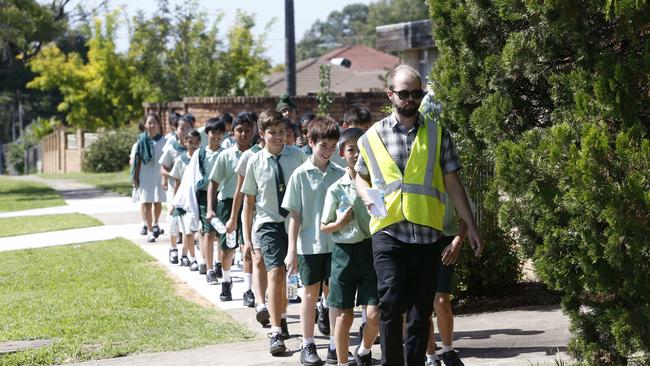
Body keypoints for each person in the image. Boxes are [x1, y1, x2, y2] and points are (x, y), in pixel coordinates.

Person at [355, 65, 484, 366]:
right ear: (390, 95)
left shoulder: (438, 135)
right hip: (388, 233)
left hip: (427, 235)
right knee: (390, 302)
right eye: (404, 93)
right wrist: (366, 196)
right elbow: (360, 176)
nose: (411, 99)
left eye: (416, 93)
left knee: (419, 312)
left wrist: (471, 225)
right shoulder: (372, 137)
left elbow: (453, 182)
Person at [241, 109, 307, 356]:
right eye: (273, 133)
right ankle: (276, 332)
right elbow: (249, 202)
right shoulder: (254, 161)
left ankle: (281, 313)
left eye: (282, 132)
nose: (279, 137)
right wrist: (247, 238)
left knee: (290, 276)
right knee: (276, 272)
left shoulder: (298, 155)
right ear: (261, 134)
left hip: (294, 221)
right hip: (268, 223)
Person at [282, 117, 344, 366]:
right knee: (309, 296)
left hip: (337, 245)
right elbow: (294, 216)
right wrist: (291, 251)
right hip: (309, 245)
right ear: (310, 142)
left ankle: (333, 346)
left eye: (332, 146)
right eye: (323, 145)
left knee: (334, 297)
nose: (328, 151)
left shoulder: (340, 174)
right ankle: (308, 345)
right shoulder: (299, 175)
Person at [321, 127, 380, 366]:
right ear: (342, 153)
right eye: (351, 149)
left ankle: (365, 349)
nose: (356, 154)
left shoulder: (374, 184)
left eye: (361, 149)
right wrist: (340, 222)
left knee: (375, 314)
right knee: (344, 315)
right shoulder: (335, 188)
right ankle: (343, 363)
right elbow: (324, 226)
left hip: (370, 250)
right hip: (344, 254)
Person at [207, 114, 254, 298]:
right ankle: (226, 281)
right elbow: (213, 183)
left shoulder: (257, 154)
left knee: (248, 247)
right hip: (227, 205)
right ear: (232, 133)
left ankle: (248, 289)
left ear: (253, 131)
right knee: (228, 248)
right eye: (239, 130)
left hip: (250, 204)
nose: (243, 134)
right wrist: (210, 208)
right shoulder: (225, 156)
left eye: (247, 130)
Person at [231, 128, 269, 315]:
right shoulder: (250, 156)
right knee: (254, 256)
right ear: (262, 133)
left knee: (279, 269)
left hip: (281, 220)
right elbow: (240, 192)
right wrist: (233, 217)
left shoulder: (289, 154)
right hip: (255, 217)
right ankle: (253, 295)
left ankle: (280, 310)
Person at [159, 115, 192, 263]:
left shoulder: (195, 150)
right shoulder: (172, 148)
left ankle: (184, 253)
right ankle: (173, 249)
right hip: (174, 190)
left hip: (189, 193)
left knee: (187, 223)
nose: (184, 131)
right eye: (181, 128)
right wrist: (171, 176)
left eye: (187, 128)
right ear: (176, 130)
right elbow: (163, 168)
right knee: (173, 220)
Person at [196, 118, 226, 277]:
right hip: (204, 197)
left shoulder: (225, 153)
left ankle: (219, 262)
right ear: (207, 133)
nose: (216, 136)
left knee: (222, 231)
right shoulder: (200, 153)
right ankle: (209, 268)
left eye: (220, 133)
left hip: (221, 196)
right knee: (208, 232)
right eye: (213, 132)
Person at [130, 112, 167, 243]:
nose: (152, 125)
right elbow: (135, 161)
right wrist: (135, 178)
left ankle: (156, 223)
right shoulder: (140, 141)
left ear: (158, 125)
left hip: (158, 175)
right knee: (146, 202)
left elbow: (167, 160)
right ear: (145, 124)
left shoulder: (164, 141)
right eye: (149, 123)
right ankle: (150, 230)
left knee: (158, 201)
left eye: (154, 123)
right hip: (144, 175)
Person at [169, 129, 202, 270]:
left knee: (192, 230)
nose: (193, 145)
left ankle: (185, 255)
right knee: (182, 228)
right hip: (183, 200)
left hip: (196, 199)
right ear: (185, 142)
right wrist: (174, 203)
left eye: (196, 142)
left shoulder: (201, 159)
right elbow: (177, 183)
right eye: (190, 142)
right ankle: (185, 254)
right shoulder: (180, 160)